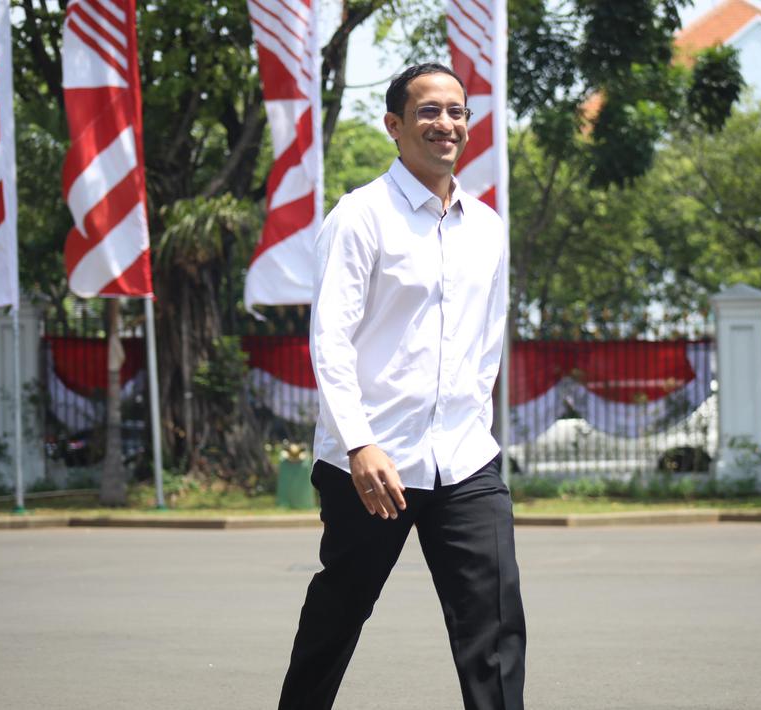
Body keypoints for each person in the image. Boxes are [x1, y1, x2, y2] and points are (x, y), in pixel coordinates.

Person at [277, 63, 526, 710]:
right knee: (339, 612)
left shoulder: (488, 229)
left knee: (493, 627)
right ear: (394, 125)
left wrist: (479, 432)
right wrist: (358, 444)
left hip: (465, 460)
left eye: (456, 112)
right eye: (428, 112)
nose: (445, 123)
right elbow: (329, 339)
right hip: (373, 464)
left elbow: (483, 343)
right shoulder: (361, 216)